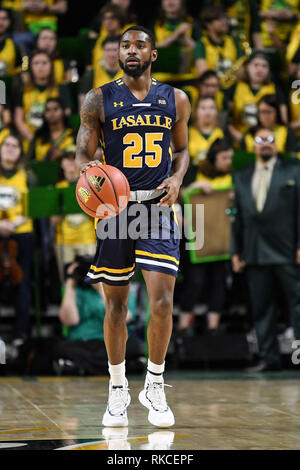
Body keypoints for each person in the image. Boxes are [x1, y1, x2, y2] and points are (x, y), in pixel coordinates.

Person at [75, 26, 190, 427]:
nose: (131, 50)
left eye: (140, 44)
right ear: (118, 54)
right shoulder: (99, 98)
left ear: (153, 54)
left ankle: (154, 384)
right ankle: (118, 386)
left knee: (161, 301)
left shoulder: (176, 98)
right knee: (117, 306)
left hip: (157, 208)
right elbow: (82, 150)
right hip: (114, 212)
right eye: (125, 45)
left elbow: (184, 150)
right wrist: (88, 171)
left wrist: (176, 180)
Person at [231, 126, 300, 372]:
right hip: (254, 252)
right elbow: (236, 218)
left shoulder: (294, 170)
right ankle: (268, 358)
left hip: (288, 251)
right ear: (253, 146)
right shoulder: (241, 176)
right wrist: (235, 251)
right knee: (261, 308)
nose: (265, 144)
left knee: (297, 305)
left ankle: (298, 357)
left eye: (270, 139)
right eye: (260, 140)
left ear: (277, 144)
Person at [178, 138, 233, 333]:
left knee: (219, 282)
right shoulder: (195, 172)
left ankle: (213, 329)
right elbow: (178, 194)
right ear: (213, 158)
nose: (229, 161)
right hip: (196, 238)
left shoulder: (232, 177)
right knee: (194, 282)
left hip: (221, 240)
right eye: (224, 157)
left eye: (230, 157)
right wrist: (194, 187)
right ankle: (183, 328)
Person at [0, 134, 35, 342]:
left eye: (15, 145)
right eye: (7, 144)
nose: (11, 148)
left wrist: (12, 224)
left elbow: (34, 208)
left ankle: (21, 335)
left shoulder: (28, 176)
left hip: (22, 233)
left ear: (20, 152)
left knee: (23, 282)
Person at [51, 150, 96, 283]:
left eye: (74, 158)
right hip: (64, 240)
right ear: (61, 164)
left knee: (91, 279)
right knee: (66, 280)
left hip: (87, 238)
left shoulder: (88, 184)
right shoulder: (56, 187)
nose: (71, 162)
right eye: (67, 158)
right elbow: (53, 221)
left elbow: (97, 214)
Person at [14, 51, 72, 148]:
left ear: (51, 67)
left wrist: (52, 141)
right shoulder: (22, 91)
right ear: (31, 67)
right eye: (36, 63)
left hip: (58, 142)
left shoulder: (61, 88)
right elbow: (18, 120)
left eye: (44, 63)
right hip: (29, 141)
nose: (40, 67)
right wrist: (34, 141)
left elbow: (66, 113)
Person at [228, 51, 287, 145]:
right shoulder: (235, 88)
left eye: (264, 66)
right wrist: (242, 140)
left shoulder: (275, 89)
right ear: (247, 67)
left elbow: (283, 120)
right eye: (256, 65)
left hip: (268, 141)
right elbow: (227, 119)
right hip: (238, 140)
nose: (260, 69)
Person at [195, 6, 243, 83]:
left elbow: (241, 72)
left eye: (225, 18)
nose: (224, 21)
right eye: (219, 19)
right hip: (211, 88)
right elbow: (202, 74)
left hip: (233, 88)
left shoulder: (234, 42)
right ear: (208, 24)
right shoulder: (201, 44)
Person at [79, 36, 123, 108]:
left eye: (115, 50)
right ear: (102, 51)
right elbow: (83, 105)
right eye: (108, 50)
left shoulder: (129, 72)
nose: (111, 54)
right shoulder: (91, 74)